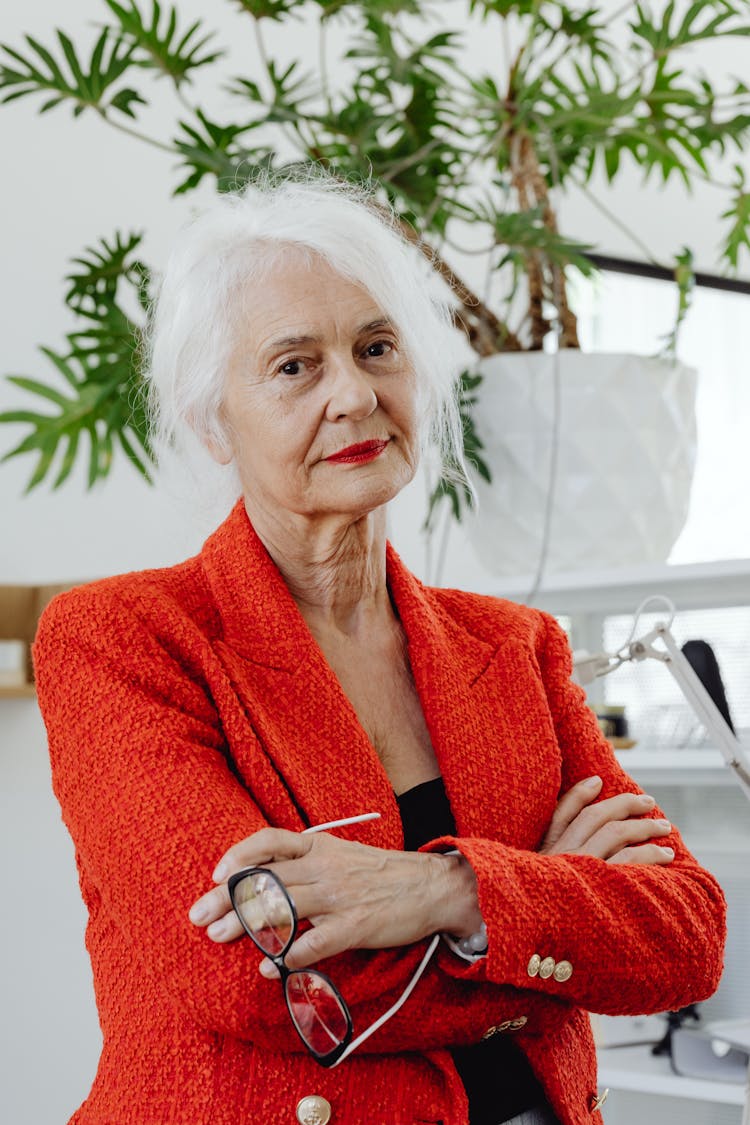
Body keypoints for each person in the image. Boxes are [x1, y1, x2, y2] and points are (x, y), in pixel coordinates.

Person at [33, 176, 726, 1125]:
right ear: (210, 419)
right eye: (293, 366)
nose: (355, 394)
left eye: (375, 348)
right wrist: (537, 916)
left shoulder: (515, 644)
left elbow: (688, 935)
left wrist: (444, 887)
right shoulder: (125, 639)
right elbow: (252, 977)